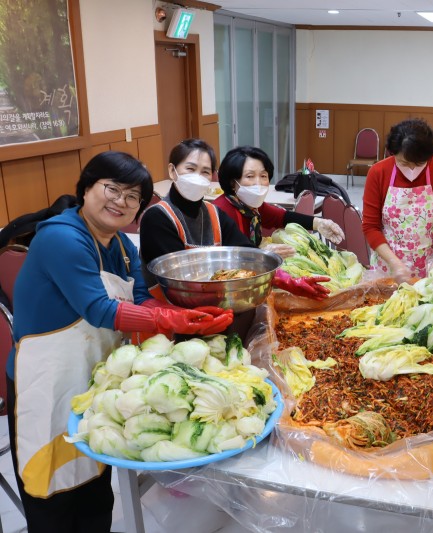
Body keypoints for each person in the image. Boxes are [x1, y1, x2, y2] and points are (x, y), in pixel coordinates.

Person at [6, 151, 233, 533]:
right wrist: (170, 318)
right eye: (112, 188)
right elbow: (99, 309)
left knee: (95, 479)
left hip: (93, 375)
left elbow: (141, 299)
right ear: (86, 188)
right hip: (44, 380)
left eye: (133, 197)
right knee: (52, 487)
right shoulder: (61, 237)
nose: (120, 201)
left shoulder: (123, 249)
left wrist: (190, 313)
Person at [139, 139, 329, 300]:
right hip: (172, 315)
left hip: (217, 304)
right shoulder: (158, 217)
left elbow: (247, 255)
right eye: (190, 169)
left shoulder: (214, 214)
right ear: (173, 171)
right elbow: (177, 282)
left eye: (205, 172)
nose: (198, 177)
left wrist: (287, 281)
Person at [362, 118, 433, 283]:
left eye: (420, 163)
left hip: (431, 267)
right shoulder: (378, 172)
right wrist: (395, 264)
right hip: (388, 267)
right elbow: (371, 227)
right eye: (404, 162)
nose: (412, 169)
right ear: (393, 153)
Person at [213, 145, 344, 251]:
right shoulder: (219, 211)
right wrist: (263, 254)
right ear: (232, 182)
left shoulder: (252, 208)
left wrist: (319, 223)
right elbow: (229, 254)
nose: (258, 182)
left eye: (263, 176)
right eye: (250, 176)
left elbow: (283, 217)